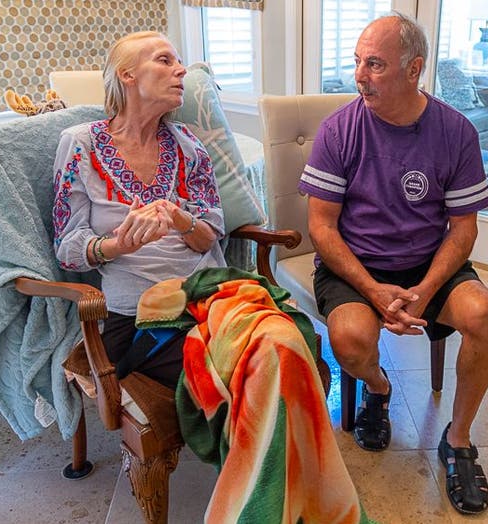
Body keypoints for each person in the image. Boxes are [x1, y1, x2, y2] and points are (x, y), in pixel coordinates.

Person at [52, 31, 368, 523]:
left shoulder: (189, 146)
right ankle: (281, 507)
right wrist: (117, 245)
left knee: (285, 343)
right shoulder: (79, 146)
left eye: (179, 62)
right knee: (269, 368)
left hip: (213, 296)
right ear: (127, 76)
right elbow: (68, 248)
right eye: (166, 60)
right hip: (138, 322)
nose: (182, 70)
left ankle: (269, 506)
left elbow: (210, 235)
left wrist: (180, 218)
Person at [299, 12, 488, 516]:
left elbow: (464, 229)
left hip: (429, 265)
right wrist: (372, 290)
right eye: (357, 62)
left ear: (414, 69)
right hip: (356, 267)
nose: (360, 75)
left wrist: (425, 290)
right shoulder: (339, 130)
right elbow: (322, 229)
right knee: (348, 340)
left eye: (375, 64)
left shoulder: (455, 132)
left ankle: (457, 441)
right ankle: (379, 388)